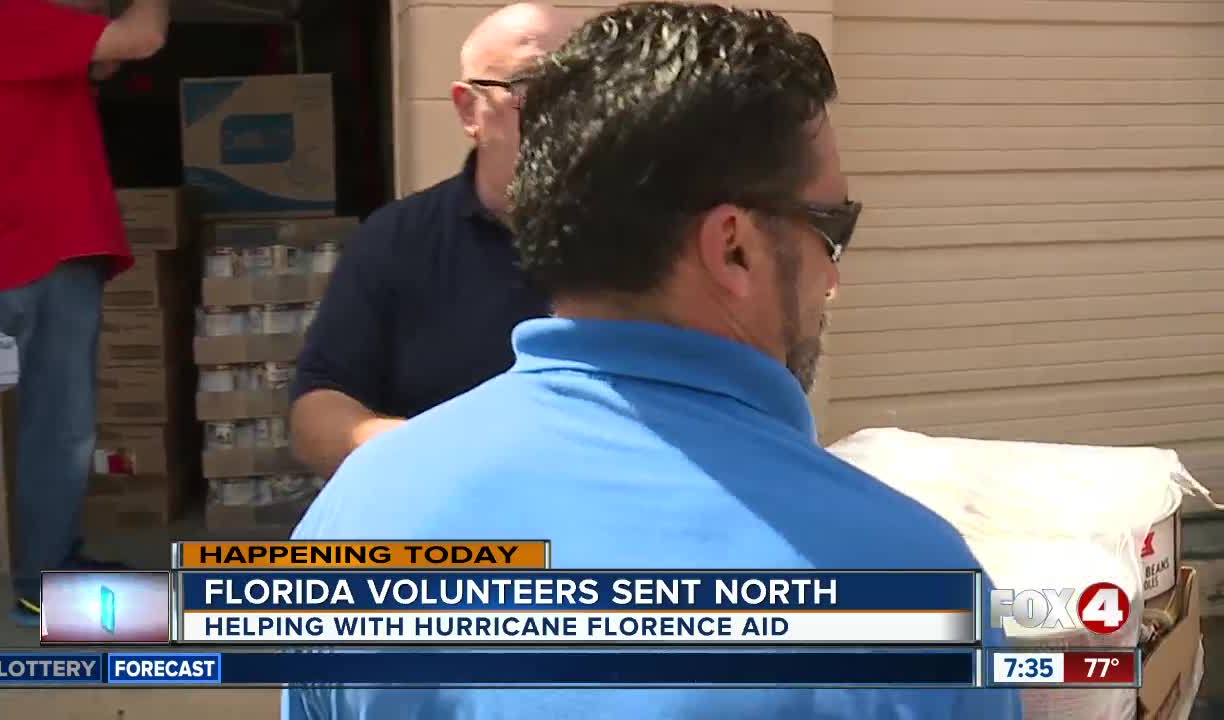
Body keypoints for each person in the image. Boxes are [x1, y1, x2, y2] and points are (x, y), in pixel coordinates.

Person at [284, 3, 1022, 718]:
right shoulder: (913, 585)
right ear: (732, 246)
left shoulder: (356, 522)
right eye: (833, 227)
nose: (835, 276)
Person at [0, 0, 170, 627]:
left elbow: (103, 63)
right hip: (44, 252)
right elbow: (142, 37)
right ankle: (39, 586)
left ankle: (58, 560)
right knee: (61, 428)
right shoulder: (14, 19)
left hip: (30, 252)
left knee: (59, 421)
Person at [289, 3, 572, 479]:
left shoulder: (653, 234)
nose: (565, 109)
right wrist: (437, 457)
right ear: (469, 109)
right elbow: (317, 410)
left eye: (582, 86)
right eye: (533, 87)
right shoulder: (396, 240)